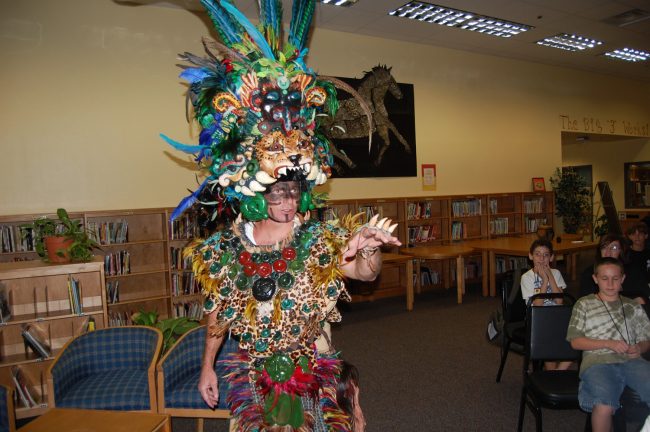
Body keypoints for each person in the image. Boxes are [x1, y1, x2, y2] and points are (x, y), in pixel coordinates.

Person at [162, 1, 399, 430]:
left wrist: (368, 251)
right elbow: (218, 311)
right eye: (279, 194)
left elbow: (363, 273)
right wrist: (207, 367)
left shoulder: (318, 238)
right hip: (254, 383)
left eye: (295, 192)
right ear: (254, 193)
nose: (289, 203)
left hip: (314, 379)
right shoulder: (228, 248)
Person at [567, 257, 650, 432]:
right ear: (595, 279)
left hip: (632, 360)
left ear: (623, 279)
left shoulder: (632, 306)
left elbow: (646, 340)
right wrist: (608, 343)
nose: (610, 283)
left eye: (615, 278)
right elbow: (575, 341)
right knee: (604, 405)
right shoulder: (584, 304)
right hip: (598, 362)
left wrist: (640, 348)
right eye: (604, 278)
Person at [520, 239, 571, 370]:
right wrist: (544, 282)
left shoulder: (556, 273)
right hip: (538, 317)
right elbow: (537, 306)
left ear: (552, 257)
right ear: (530, 256)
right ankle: (552, 373)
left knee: (579, 336)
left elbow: (559, 301)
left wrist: (550, 276)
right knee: (550, 340)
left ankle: (558, 372)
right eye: (537, 254)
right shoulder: (527, 277)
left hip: (557, 316)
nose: (541, 259)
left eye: (546, 255)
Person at [624, 222, 650, 302]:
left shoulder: (648, 254)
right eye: (633, 234)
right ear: (629, 236)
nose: (637, 236)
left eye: (640, 234)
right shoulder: (624, 255)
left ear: (646, 236)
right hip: (629, 293)